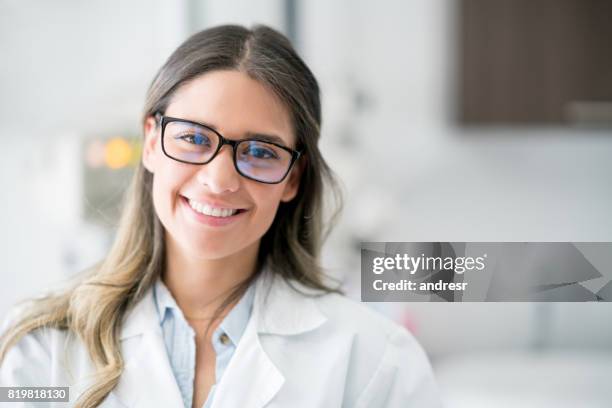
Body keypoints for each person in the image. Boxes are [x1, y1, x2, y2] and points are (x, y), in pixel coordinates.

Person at [0, 24, 442, 407]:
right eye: (194, 138)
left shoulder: (374, 362)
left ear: (293, 177)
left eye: (260, 151)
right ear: (151, 142)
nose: (219, 179)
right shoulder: (45, 349)